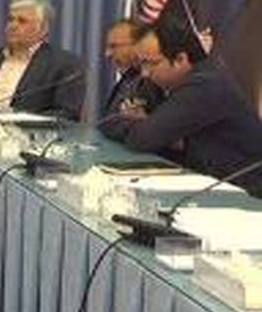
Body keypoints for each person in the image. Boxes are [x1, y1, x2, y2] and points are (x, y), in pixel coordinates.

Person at [100, 19, 262, 196]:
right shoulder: (161, 83)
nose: (145, 73)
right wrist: (157, 131)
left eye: (150, 64)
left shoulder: (206, 85)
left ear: (180, 59)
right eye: (142, 64)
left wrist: (152, 128)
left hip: (245, 193)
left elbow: (142, 139)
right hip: (206, 182)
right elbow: (110, 121)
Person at [0, 0, 85, 120]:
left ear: (43, 29)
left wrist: (19, 121)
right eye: (10, 20)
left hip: (26, 132)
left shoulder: (65, 63)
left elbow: (67, 114)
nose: (12, 26)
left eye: (22, 21)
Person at [101, 18, 164, 117]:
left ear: (136, 44)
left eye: (114, 46)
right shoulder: (128, 79)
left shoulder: (152, 80)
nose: (107, 54)